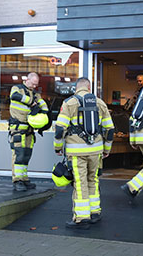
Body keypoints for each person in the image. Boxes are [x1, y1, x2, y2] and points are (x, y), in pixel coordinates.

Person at [54, 77, 114, 229]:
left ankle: (81, 217)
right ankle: (95, 212)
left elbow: (60, 128)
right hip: (96, 150)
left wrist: (58, 147)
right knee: (93, 180)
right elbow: (110, 129)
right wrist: (107, 149)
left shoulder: (69, 103)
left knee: (80, 183)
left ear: (76, 88)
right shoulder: (100, 103)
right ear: (89, 87)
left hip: (76, 151)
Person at [8, 72, 48, 192]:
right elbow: (14, 96)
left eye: (36, 85)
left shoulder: (36, 94)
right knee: (19, 155)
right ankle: (17, 180)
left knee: (26, 155)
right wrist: (31, 102)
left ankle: (24, 179)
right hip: (18, 129)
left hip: (29, 131)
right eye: (33, 84)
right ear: (27, 79)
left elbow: (44, 105)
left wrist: (44, 113)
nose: (34, 87)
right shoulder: (17, 89)